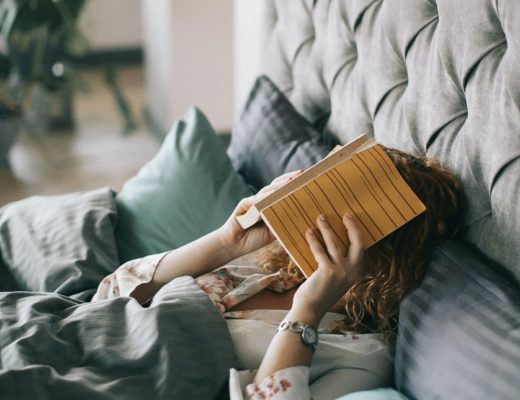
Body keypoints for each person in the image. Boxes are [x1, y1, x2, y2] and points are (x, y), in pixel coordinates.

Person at [93, 147, 462, 399]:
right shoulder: (269, 265)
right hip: (82, 336)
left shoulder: (363, 356)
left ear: (388, 256)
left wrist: (307, 310)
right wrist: (226, 242)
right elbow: (115, 290)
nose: (321, 218)